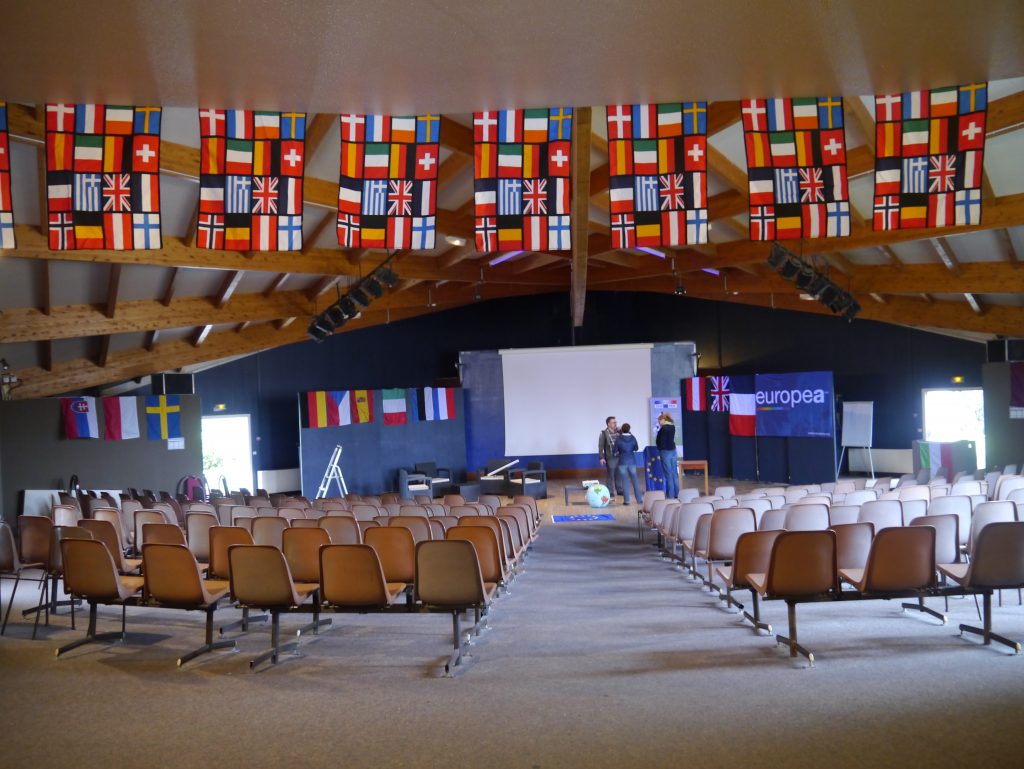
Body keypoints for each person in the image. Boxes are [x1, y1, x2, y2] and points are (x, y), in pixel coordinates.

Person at [614, 423, 643, 505]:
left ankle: (627, 501)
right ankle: (639, 500)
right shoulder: (633, 438)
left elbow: (615, 451)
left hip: (622, 461)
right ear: (629, 429)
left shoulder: (618, 439)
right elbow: (636, 448)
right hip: (632, 461)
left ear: (622, 430)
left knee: (624, 481)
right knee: (635, 481)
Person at [656, 412, 679, 499]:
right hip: (673, 451)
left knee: (668, 475)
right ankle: (677, 494)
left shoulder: (664, 428)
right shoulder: (672, 426)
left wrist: (660, 450)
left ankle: (670, 496)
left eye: (659, 421)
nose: (658, 422)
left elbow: (661, 441)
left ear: (663, 419)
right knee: (674, 474)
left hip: (665, 452)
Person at [597, 416, 620, 498]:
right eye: (613, 422)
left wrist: (622, 431)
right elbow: (600, 446)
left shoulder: (619, 431)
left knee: (619, 473)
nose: (615, 424)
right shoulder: (604, 433)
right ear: (608, 424)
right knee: (610, 474)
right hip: (610, 457)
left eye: (616, 422)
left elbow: (627, 435)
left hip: (619, 456)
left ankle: (620, 490)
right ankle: (610, 491)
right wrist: (601, 457)